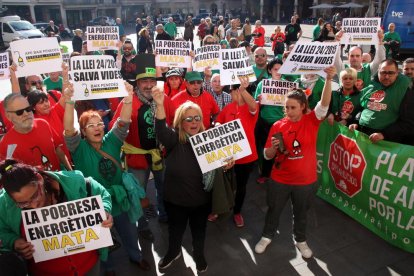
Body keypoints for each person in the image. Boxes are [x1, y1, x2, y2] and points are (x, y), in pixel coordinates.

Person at [63, 82, 151, 273]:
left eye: (100, 124)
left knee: (129, 232)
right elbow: (69, 129)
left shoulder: (111, 140)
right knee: (103, 240)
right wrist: (69, 102)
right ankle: (108, 267)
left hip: (120, 200)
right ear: (83, 131)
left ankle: (136, 256)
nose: (97, 128)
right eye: (91, 125)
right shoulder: (79, 149)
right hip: (96, 205)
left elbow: (123, 122)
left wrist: (128, 99)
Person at [254, 66, 336, 258]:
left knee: (301, 214)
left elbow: (324, 104)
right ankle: (267, 236)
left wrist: (329, 80)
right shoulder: (277, 125)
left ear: (303, 107)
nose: (289, 111)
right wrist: (273, 149)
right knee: (274, 210)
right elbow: (266, 155)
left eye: (293, 107)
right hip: (280, 179)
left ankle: (300, 240)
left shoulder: (312, 120)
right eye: (287, 107)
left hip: (306, 181)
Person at [152, 89, 234, 273]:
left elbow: (219, 166)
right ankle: (173, 252)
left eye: (197, 118)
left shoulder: (210, 140)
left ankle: (199, 254)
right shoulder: (173, 139)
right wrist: (159, 105)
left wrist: (226, 165)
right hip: (176, 201)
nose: (194, 122)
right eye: (188, 119)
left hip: (201, 201)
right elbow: (160, 130)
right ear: (180, 122)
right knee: (175, 231)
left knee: (199, 231)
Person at [0, 159, 113, 276]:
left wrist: (104, 210)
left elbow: (102, 193)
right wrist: (13, 241)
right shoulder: (4, 205)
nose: (33, 205)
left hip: (90, 266)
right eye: (23, 203)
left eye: (35, 195)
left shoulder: (71, 182)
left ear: (39, 179)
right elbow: (1, 231)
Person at [110, 54, 176, 236]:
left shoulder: (165, 100)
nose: (148, 85)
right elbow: (113, 129)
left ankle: (164, 214)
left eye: (151, 81)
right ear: (137, 84)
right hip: (137, 158)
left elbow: (175, 122)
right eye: (144, 81)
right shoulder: (128, 101)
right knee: (137, 194)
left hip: (160, 155)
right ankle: (142, 225)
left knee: (164, 188)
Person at [214, 76, 258, 227]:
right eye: (234, 91)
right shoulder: (228, 108)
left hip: (246, 156)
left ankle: (237, 211)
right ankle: (219, 209)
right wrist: (218, 125)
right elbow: (219, 120)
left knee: (241, 186)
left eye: (238, 91)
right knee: (222, 184)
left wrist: (243, 90)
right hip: (227, 155)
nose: (236, 94)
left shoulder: (251, 107)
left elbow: (253, 106)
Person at [349, 59, 414, 144]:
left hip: (385, 142)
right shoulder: (371, 86)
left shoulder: (405, 91)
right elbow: (361, 108)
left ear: (397, 73)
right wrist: (355, 122)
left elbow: (408, 123)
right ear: (378, 72)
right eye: (383, 73)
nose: (386, 76)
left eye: (391, 73)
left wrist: (384, 134)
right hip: (362, 135)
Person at [0, 94, 64, 171]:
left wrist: (69, 170)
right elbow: (8, 174)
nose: (26, 114)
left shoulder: (43, 124)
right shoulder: (6, 145)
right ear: (8, 116)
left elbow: (58, 149)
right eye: (19, 112)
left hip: (60, 179)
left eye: (28, 109)